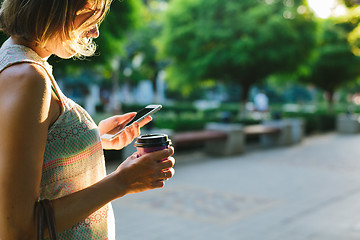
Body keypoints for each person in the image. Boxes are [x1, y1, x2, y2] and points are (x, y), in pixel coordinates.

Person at [0, 0, 175, 239]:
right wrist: (123, 182)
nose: (95, 31)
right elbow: (16, 230)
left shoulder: (18, 64)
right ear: (52, 8)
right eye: (89, 15)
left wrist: (93, 140)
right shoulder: (28, 77)